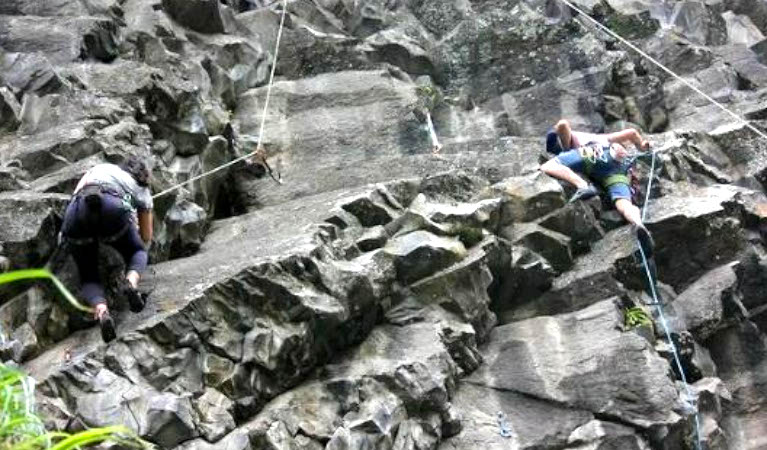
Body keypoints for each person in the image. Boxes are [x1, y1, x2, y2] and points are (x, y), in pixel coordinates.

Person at [60, 157, 153, 342]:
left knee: (88, 276)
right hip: (112, 208)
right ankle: (130, 283)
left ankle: (102, 311)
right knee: (138, 252)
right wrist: (132, 219)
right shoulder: (141, 189)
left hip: (77, 212)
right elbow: (146, 236)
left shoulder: (101, 169)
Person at [540, 119, 654, 256]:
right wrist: (642, 146)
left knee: (548, 166)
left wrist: (566, 148)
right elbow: (632, 132)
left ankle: (582, 185)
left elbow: (562, 125)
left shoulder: (578, 142)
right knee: (624, 204)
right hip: (620, 167)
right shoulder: (603, 138)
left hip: (593, 153)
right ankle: (637, 222)